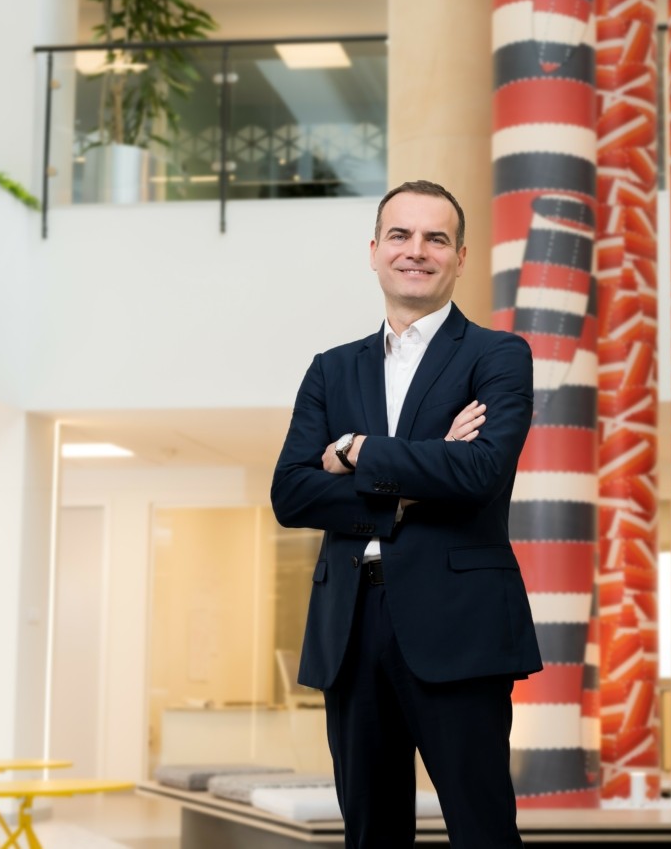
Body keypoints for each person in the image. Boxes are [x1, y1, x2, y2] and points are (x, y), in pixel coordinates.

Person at [271, 180, 542, 849]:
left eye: (435, 238)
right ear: (374, 251)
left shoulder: (498, 355)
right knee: (371, 835)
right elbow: (292, 493)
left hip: (460, 624)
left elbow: (479, 472)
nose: (415, 250)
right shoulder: (331, 370)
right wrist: (417, 476)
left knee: (483, 833)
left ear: (460, 257)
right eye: (400, 235)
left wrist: (356, 450)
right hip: (350, 629)